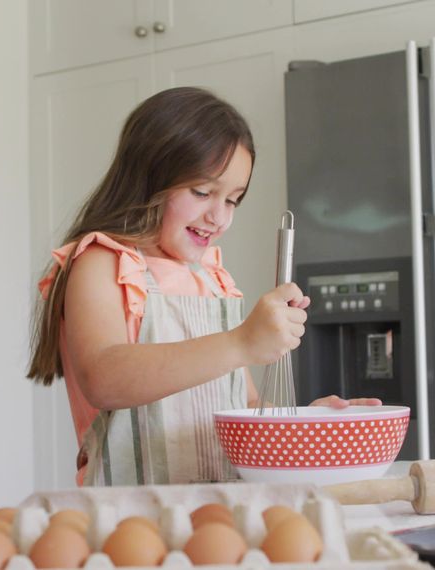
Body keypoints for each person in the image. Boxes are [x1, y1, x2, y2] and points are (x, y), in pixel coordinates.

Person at [29, 87, 379, 487]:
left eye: (233, 199)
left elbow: (242, 403)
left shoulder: (211, 277)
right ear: (149, 177)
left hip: (223, 509)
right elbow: (104, 379)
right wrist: (241, 342)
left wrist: (304, 423)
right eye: (202, 192)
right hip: (131, 520)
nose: (219, 217)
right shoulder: (102, 261)